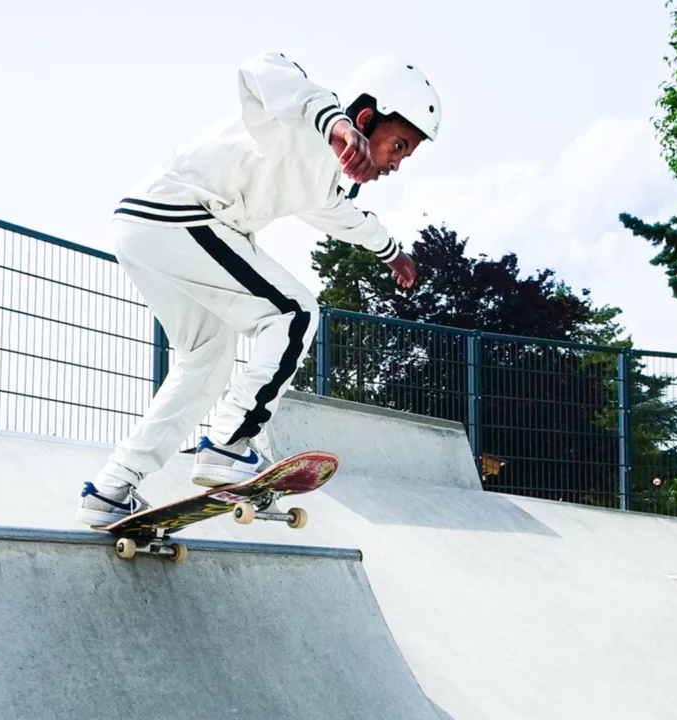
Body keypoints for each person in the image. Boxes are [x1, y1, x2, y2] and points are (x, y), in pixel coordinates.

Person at [75, 51, 443, 526]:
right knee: (294, 313)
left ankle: (111, 488)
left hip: (148, 230)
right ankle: (229, 445)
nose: (395, 165)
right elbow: (263, 67)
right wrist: (332, 122)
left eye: (405, 156)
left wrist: (392, 252)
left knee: (207, 360)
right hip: (179, 215)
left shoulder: (321, 182)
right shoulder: (304, 117)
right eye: (398, 145)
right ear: (366, 118)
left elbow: (343, 218)